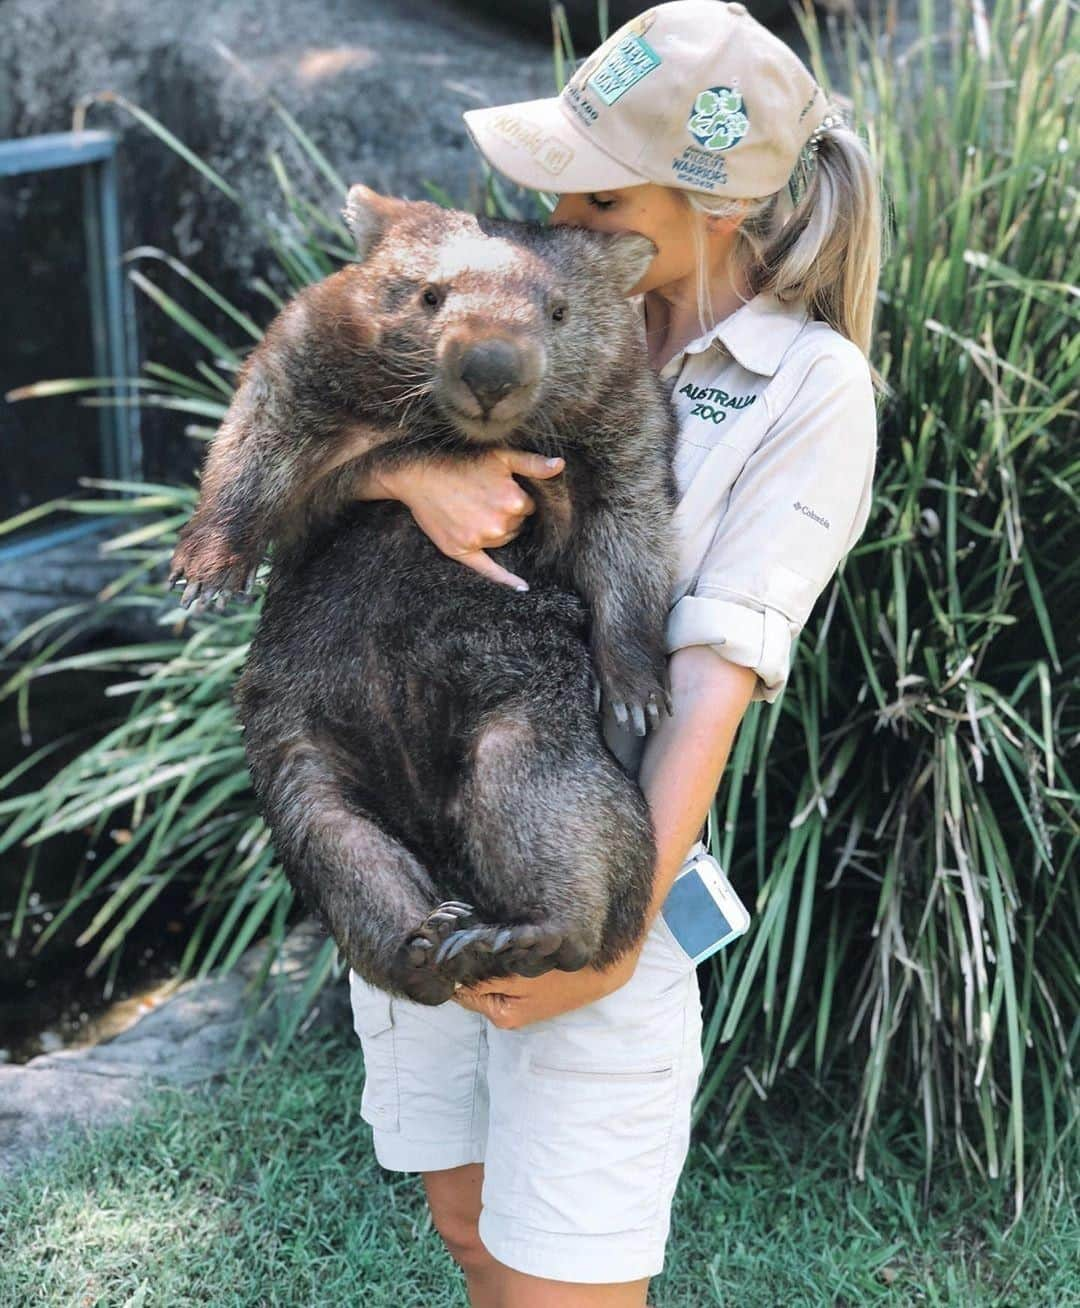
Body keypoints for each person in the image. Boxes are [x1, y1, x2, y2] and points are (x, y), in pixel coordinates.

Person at [346, 2, 885, 1303]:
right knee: (471, 1232)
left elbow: (711, 685)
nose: (554, 220)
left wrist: (608, 942)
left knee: (562, 1281)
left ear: (710, 202)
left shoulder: (805, 392)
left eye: (597, 195)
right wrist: (412, 477)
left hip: (594, 874)